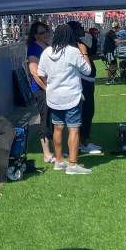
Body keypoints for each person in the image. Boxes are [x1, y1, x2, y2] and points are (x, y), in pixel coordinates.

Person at [37, 23, 93, 175]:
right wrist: (84, 53)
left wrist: (50, 84)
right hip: (71, 95)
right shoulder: (73, 51)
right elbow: (88, 71)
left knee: (58, 128)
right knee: (73, 129)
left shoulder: (47, 52)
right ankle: (72, 165)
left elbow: (40, 73)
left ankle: (59, 161)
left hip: (54, 96)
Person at [26, 21, 54, 164]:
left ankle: (55, 150)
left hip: (51, 88)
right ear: (35, 35)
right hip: (41, 90)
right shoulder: (33, 48)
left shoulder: (48, 46)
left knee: (53, 119)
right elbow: (34, 72)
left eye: (46, 31)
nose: (46, 34)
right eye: (42, 32)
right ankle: (47, 154)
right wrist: (46, 88)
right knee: (45, 120)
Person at [75, 23, 102, 155]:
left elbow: (90, 54)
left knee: (88, 111)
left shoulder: (80, 42)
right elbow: (84, 62)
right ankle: (83, 143)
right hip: (83, 81)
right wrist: (87, 54)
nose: (83, 29)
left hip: (87, 80)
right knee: (86, 112)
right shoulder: (75, 46)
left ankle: (85, 140)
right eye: (79, 28)